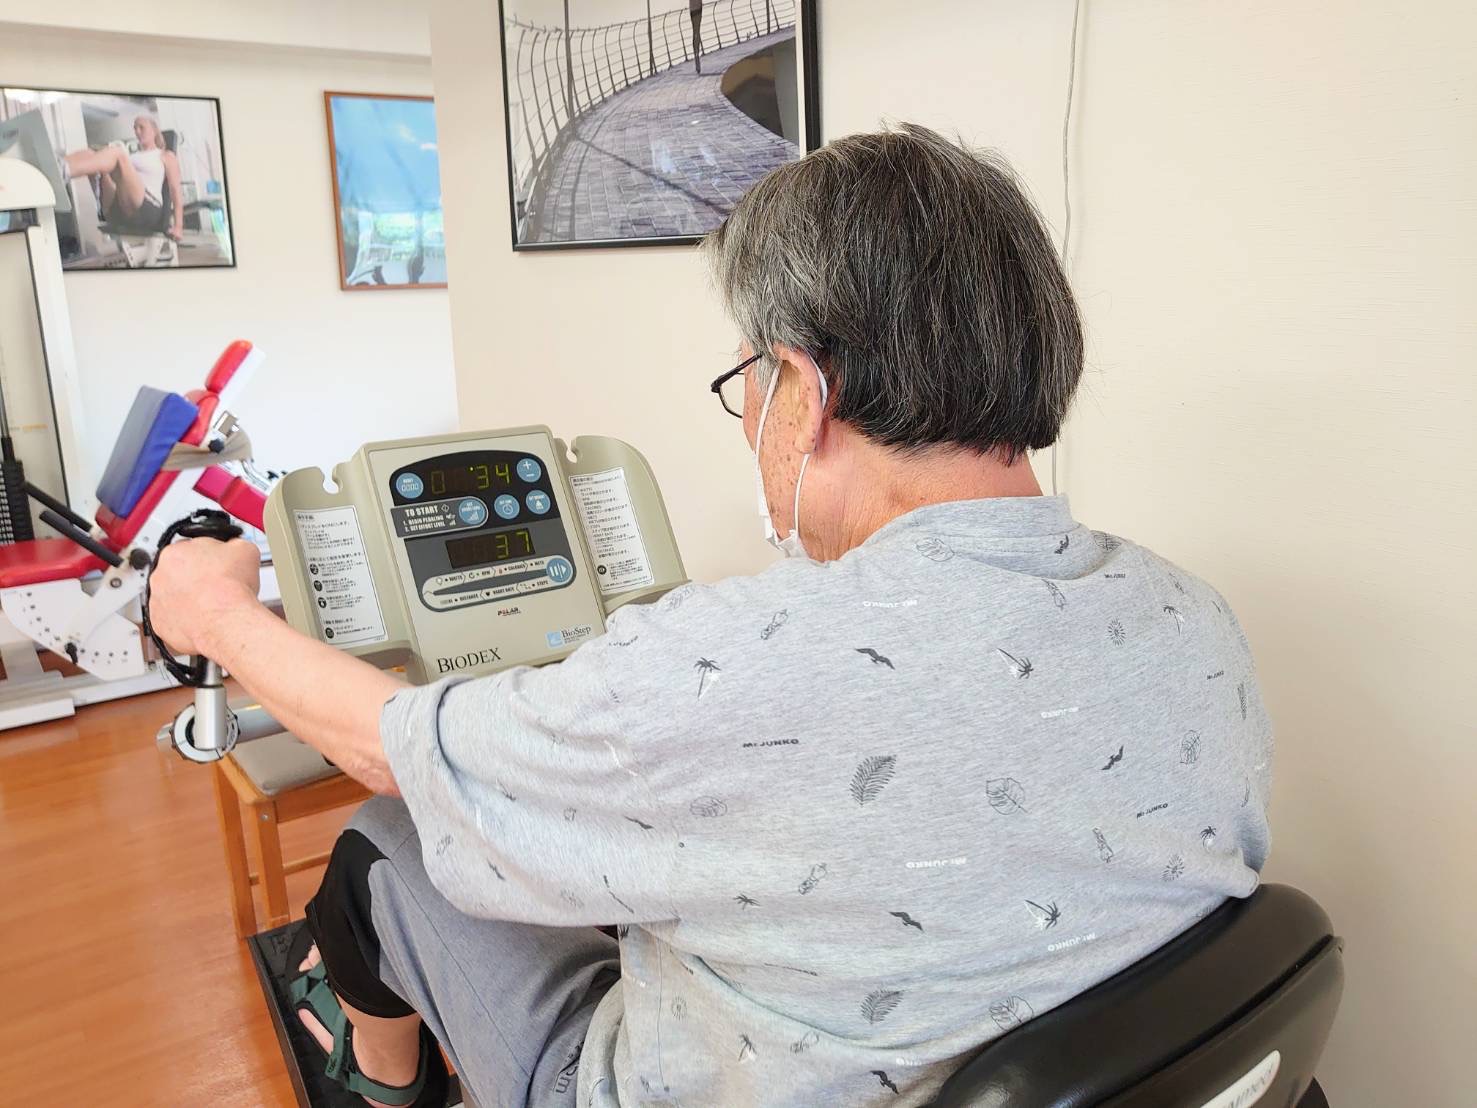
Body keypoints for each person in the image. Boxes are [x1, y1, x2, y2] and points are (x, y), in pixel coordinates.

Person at [149, 124, 1273, 1108]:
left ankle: (382, 1080)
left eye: (749, 387)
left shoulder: (722, 670)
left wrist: (217, 612)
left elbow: (393, 750)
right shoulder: (1194, 621)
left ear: (805, 390)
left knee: (380, 845)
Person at [63, 114, 183, 241]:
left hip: (147, 209)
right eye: (135, 128)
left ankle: (66, 170)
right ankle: (60, 166)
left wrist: (178, 226)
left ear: (154, 130)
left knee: (117, 152)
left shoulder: (165, 155)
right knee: (90, 153)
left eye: (141, 127)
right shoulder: (132, 156)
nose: (137, 131)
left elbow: (175, 190)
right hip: (119, 208)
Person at [690, 0, 704, 74]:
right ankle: (697, 53)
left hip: (692, 10)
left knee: (695, 32)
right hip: (698, 9)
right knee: (697, 32)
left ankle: (696, 54)